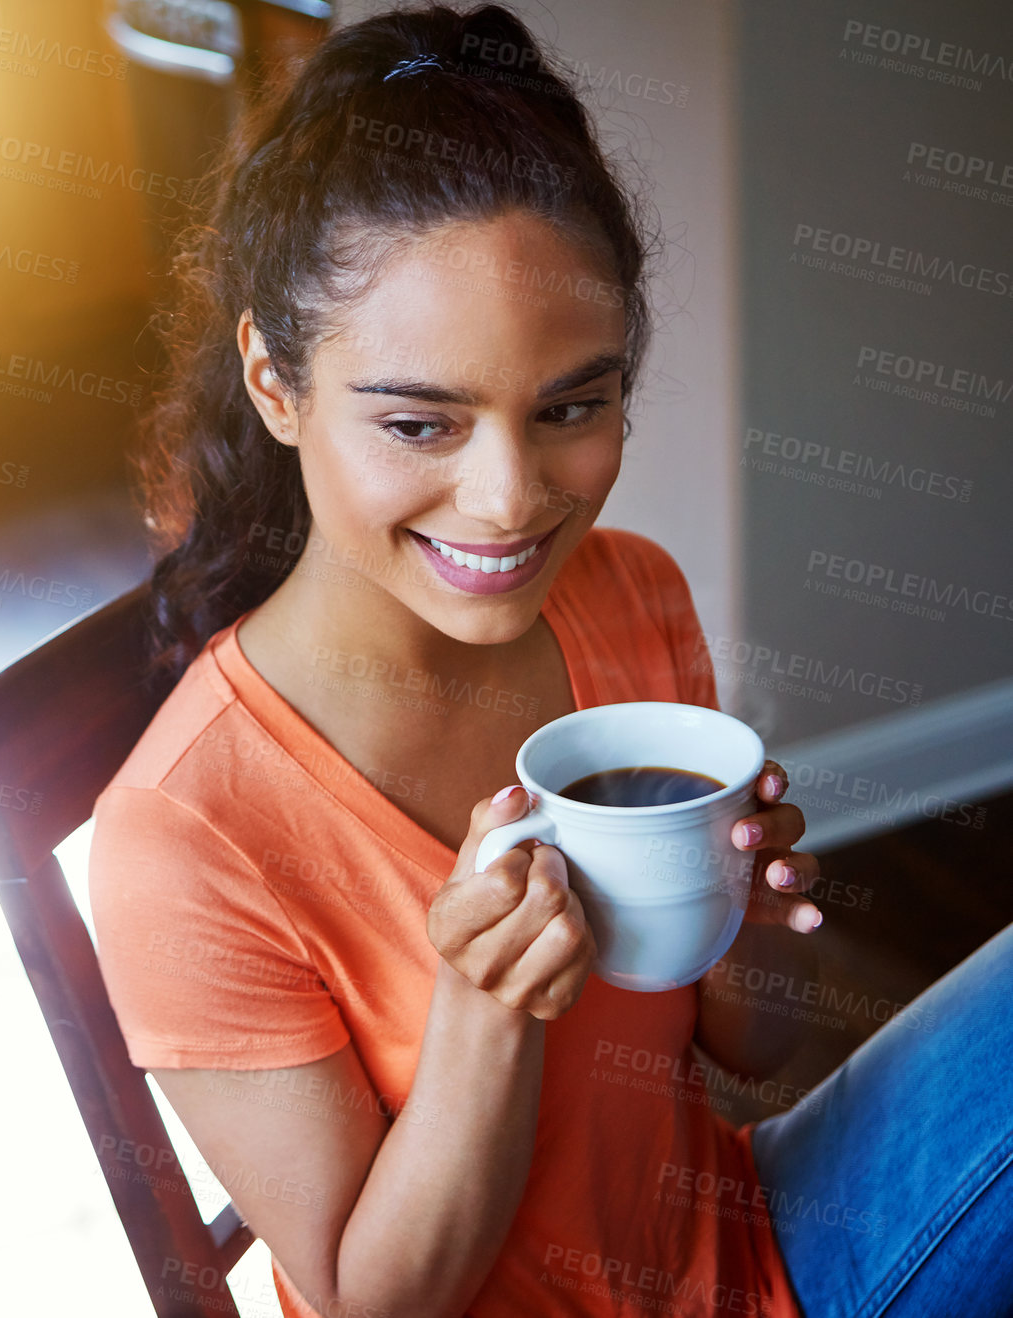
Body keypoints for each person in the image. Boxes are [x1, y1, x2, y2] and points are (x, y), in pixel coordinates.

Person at [86, 6, 1013, 1316]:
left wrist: (748, 909)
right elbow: (377, 1301)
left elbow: (754, 1043)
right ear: (275, 382)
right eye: (420, 421)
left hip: (753, 1261)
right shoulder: (188, 836)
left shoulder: (627, 594)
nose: (511, 500)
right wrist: (484, 1015)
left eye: (573, 405)